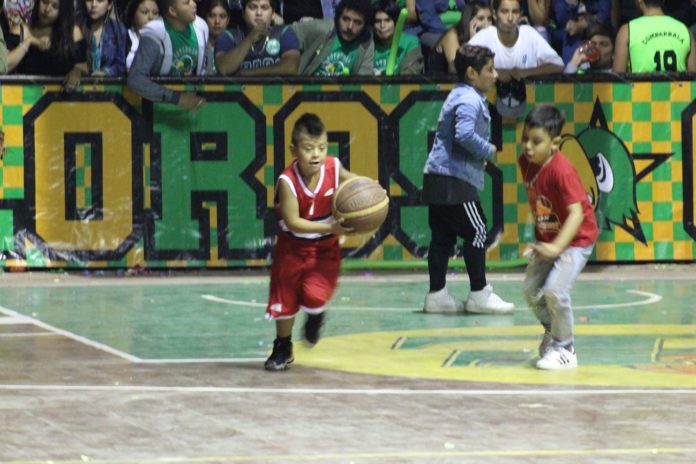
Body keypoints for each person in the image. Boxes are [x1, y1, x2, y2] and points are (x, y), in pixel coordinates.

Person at [421, 44, 514, 315]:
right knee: (477, 230)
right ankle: (479, 294)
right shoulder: (469, 99)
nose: (495, 75)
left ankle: (437, 294)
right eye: (489, 69)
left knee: (442, 236)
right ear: (472, 73)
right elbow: (463, 134)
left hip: (437, 176)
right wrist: (488, 150)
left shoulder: (459, 95)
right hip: (454, 180)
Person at [264, 113, 358, 371]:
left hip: (324, 249)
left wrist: (371, 191)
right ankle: (283, 346)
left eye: (322, 147)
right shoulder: (287, 181)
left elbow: (356, 185)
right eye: (308, 148)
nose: (316, 154)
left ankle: (315, 315)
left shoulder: (334, 168)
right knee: (283, 301)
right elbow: (293, 221)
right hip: (291, 248)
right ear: (294, 150)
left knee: (315, 297)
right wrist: (331, 226)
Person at [518, 104, 599, 370]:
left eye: (536, 141)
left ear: (555, 143)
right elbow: (540, 203)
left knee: (554, 291)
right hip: (550, 239)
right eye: (525, 139)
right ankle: (553, 334)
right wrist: (540, 240)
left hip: (576, 241)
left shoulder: (561, 170)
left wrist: (556, 248)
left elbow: (576, 214)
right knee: (531, 291)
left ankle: (566, 349)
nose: (528, 146)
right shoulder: (526, 164)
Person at [468, 0, 563, 118]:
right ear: (494, 14)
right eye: (504, 11)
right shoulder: (485, 36)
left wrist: (525, 72)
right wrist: (493, 71)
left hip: (529, 110)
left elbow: (558, 65)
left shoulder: (529, 34)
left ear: (521, 14)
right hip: (489, 112)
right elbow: (457, 64)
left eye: (515, 12)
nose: (510, 17)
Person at [127, 0, 208, 110]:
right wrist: (177, 98)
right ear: (172, 10)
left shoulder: (202, 27)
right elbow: (135, 79)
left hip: (192, 109)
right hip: (158, 110)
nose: (194, 4)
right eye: (187, 2)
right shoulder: (155, 33)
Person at [10, 0, 87, 90]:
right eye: (45, 2)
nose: (47, 9)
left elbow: (82, 66)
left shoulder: (73, 33)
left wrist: (77, 71)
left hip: (61, 99)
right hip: (24, 97)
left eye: (55, 6)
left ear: (63, 10)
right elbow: (5, 66)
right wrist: (28, 41)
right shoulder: (21, 31)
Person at [215, 0, 300, 76]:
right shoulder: (228, 36)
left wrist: (249, 73)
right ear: (243, 13)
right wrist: (250, 39)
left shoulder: (284, 32)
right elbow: (224, 68)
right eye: (253, 7)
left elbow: (292, 67)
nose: (259, 13)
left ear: (273, 13)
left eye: (264, 8)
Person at [291, 0, 374, 76]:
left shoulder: (366, 43)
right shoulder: (322, 29)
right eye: (345, 19)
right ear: (337, 18)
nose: (350, 26)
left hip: (346, 92)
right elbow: (287, 33)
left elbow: (365, 80)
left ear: (365, 25)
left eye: (357, 22)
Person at [613, 0, 696, 73]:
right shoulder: (685, 30)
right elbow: (694, 79)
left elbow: (617, 81)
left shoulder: (626, 31)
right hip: (677, 90)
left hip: (641, 90)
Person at [428, 1, 493, 74]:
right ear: (469, 19)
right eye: (481, 19)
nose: (486, 24)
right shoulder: (451, 35)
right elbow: (456, 69)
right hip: (441, 82)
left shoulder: (488, 37)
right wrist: (472, 43)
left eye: (489, 19)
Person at [78, 0, 128, 76]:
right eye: (89, 0)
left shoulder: (118, 30)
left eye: (99, 1)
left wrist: (106, 72)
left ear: (109, 5)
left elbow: (121, 65)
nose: (93, 5)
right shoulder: (77, 28)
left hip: (109, 85)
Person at [372, 0, 422, 75]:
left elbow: (409, 76)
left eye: (387, 20)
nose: (382, 26)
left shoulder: (411, 43)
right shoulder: (368, 44)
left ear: (396, 22)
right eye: (378, 21)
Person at [124, 0, 159, 70]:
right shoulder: (123, 37)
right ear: (133, 13)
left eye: (155, 13)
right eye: (145, 12)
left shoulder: (164, 40)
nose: (151, 17)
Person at [202, 0, 230, 74]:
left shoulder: (235, 46)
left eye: (222, 16)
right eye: (212, 16)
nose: (217, 21)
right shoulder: (199, 45)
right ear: (205, 19)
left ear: (228, 20)